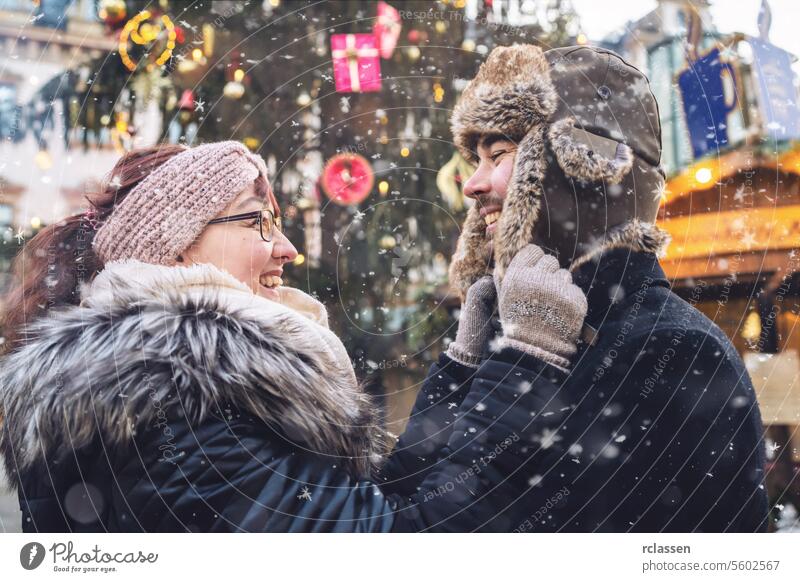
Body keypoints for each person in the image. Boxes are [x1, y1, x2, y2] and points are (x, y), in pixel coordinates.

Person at [0, 140, 587, 532]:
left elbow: (375, 500)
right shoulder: (171, 407)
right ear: (173, 247)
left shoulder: (173, 384)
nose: (287, 248)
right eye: (258, 219)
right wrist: (527, 369)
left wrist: (462, 369)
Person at [421, 43, 766, 531]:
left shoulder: (670, 350)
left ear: (575, 167)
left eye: (497, 154)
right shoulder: (527, 335)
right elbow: (420, 507)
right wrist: (461, 370)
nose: (472, 185)